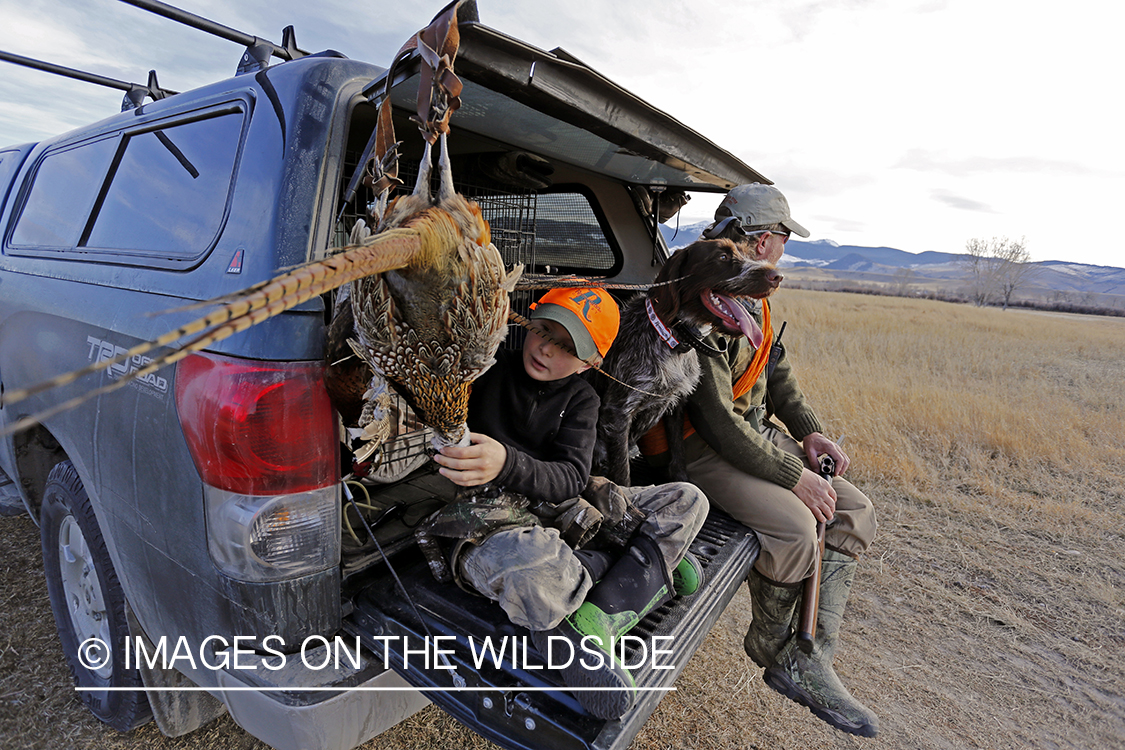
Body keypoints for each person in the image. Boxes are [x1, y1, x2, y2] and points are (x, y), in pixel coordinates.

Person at [429, 285, 708, 720]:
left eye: (567, 346)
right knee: (534, 562)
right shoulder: (487, 372)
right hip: (495, 524)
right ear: (528, 325)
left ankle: (595, 617)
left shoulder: (583, 400)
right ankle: (644, 567)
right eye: (543, 332)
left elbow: (571, 479)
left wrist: (505, 462)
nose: (546, 349)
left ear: (592, 362)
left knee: (687, 499)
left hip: (563, 509)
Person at [662, 184, 879, 737]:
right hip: (707, 451)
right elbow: (714, 420)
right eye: (782, 238)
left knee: (855, 513)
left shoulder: (751, 291)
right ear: (763, 238)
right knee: (797, 527)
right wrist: (794, 477)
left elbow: (774, 371)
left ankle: (813, 655)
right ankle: (773, 646)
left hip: (753, 435)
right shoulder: (705, 288)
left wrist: (809, 434)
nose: (783, 249)